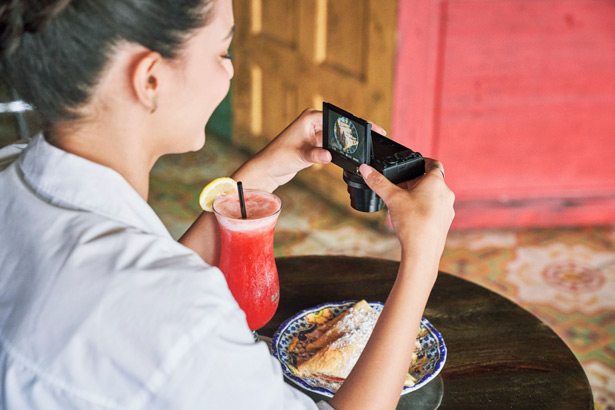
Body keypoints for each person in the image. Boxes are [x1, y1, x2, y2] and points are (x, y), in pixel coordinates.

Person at [0, 0, 454, 409]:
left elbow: (138, 284)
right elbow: (159, 305)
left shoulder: (12, 175)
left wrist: (260, 176)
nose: (231, 71)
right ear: (150, 79)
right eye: (222, 52)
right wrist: (423, 256)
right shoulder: (181, 315)